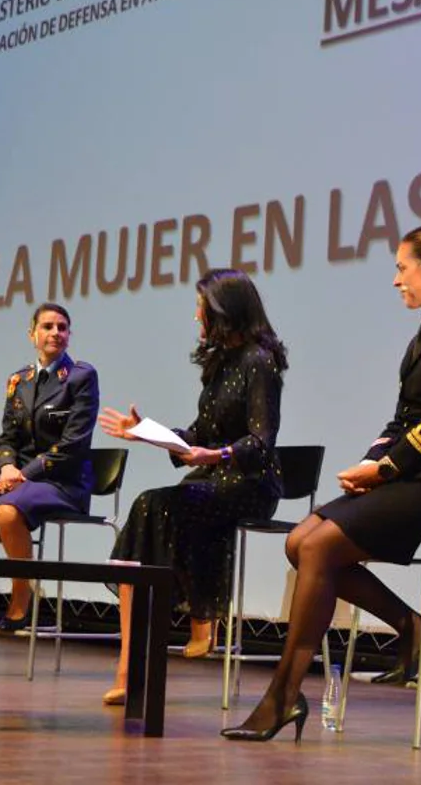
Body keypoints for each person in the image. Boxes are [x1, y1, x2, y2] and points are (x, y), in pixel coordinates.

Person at [222, 224, 421, 743]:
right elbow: (402, 420)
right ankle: (413, 628)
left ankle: (284, 694)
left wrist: (388, 469)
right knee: (299, 542)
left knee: (321, 545)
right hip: (415, 473)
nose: (396, 280)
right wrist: (369, 463)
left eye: (401, 268)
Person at [98, 268, 287, 705]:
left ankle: (195, 617)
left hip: (251, 482)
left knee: (156, 506)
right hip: (212, 475)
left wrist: (214, 456)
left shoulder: (260, 361)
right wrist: (146, 431)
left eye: (201, 306)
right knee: (148, 510)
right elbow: (200, 432)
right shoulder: (219, 363)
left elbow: (260, 444)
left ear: (224, 310)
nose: (196, 315)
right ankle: (132, 662)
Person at [0, 302, 99, 676]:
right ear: (32, 334)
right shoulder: (19, 381)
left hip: (62, 482)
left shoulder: (80, 377)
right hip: (20, 480)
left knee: (6, 511)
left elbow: (73, 445)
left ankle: (22, 594)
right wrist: (7, 466)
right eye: (47, 326)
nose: (55, 333)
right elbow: (6, 438)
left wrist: (23, 473)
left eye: (62, 327)